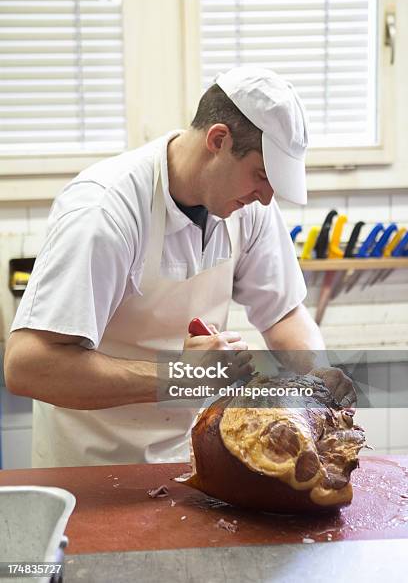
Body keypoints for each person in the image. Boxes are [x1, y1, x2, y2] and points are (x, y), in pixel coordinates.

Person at [4, 66, 355, 467]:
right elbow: (27, 365)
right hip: (93, 470)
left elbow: (284, 313)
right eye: (261, 175)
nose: (264, 197)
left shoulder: (249, 205)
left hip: (186, 460)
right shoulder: (105, 211)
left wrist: (320, 377)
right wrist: (177, 377)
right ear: (218, 140)